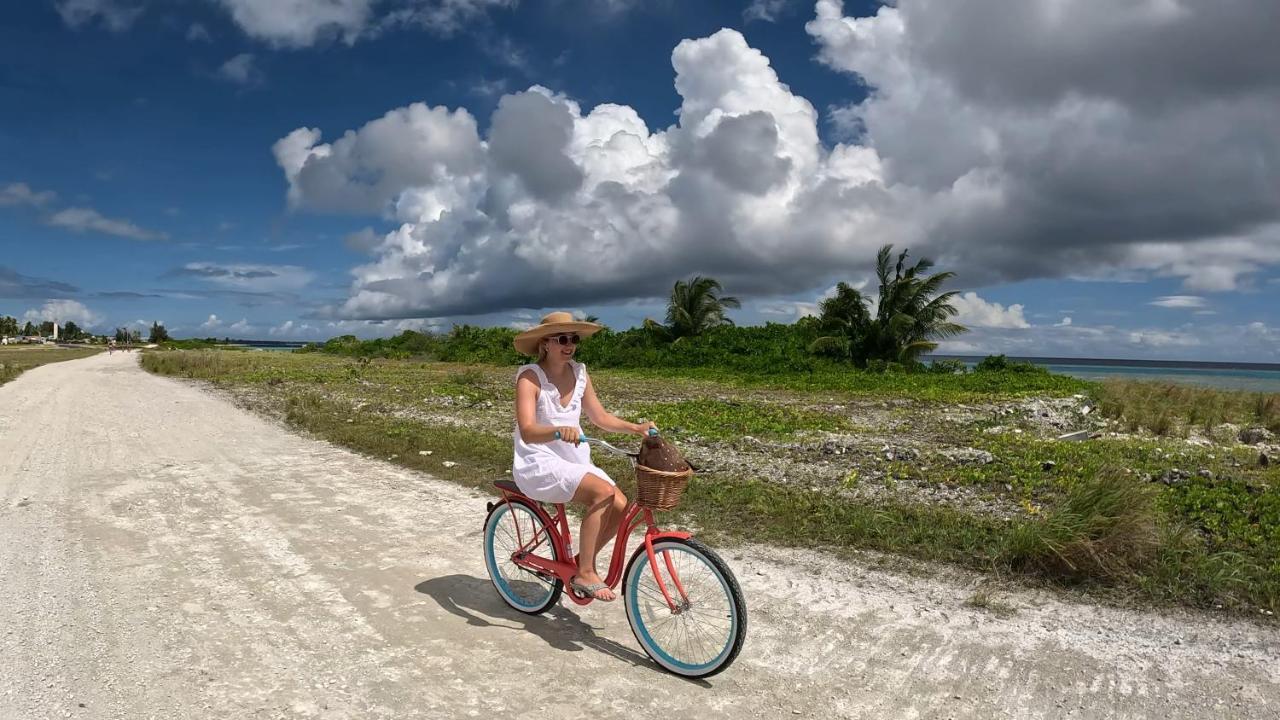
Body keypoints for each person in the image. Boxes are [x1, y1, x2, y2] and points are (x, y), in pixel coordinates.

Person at [511, 312, 657, 602]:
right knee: (602, 493)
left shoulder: (579, 373)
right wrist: (556, 431)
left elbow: (599, 416)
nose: (569, 345)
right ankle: (587, 572)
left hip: (574, 460)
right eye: (562, 339)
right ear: (545, 343)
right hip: (537, 460)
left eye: (574, 339)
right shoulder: (530, 377)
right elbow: (527, 431)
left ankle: (579, 563)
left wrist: (635, 428)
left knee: (620, 504)